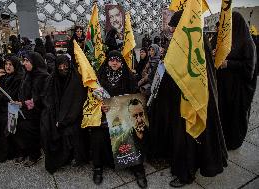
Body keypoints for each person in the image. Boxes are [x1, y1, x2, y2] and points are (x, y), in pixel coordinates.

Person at [148, 10, 228, 187]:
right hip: (178, 101)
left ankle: (186, 173)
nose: (172, 32)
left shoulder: (196, 42)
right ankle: (180, 166)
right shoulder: (183, 41)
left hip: (191, 101)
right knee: (180, 138)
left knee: (188, 138)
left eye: (175, 28)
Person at [90, 50, 147, 188]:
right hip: (105, 115)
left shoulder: (129, 77)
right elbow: (92, 98)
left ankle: (138, 169)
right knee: (98, 134)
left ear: (121, 62)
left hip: (124, 114)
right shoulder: (100, 76)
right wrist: (100, 107)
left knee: (131, 132)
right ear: (107, 61)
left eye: (117, 60)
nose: (114, 63)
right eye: (111, 60)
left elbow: (135, 97)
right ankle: (98, 167)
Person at [40, 54, 88, 174]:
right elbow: (47, 99)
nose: (62, 69)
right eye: (60, 66)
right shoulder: (52, 79)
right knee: (47, 128)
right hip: (57, 114)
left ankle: (74, 156)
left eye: (65, 66)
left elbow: (76, 104)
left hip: (73, 116)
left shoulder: (75, 79)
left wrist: (63, 120)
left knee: (70, 131)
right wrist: (55, 117)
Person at [217, 12, 257, 150]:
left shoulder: (247, 42)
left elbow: (249, 68)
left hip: (238, 89)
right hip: (225, 88)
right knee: (225, 115)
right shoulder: (228, 41)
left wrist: (229, 64)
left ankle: (234, 142)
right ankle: (224, 140)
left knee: (235, 117)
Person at [14, 52, 49, 167]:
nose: (24, 63)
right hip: (25, 108)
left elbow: (39, 98)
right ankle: (24, 151)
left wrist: (23, 104)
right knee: (18, 126)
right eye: (24, 61)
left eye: (27, 61)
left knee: (29, 128)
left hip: (38, 111)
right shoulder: (28, 74)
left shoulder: (43, 76)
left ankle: (35, 154)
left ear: (34, 62)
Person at [0, 55, 24, 162]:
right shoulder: (5, 76)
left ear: (15, 66)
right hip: (4, 106)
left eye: (10, 65)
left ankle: (8, 152)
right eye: (6, 64)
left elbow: (14, 96)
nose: (7, 67)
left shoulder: (19, 78)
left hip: (15, 107)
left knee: (6, 122)